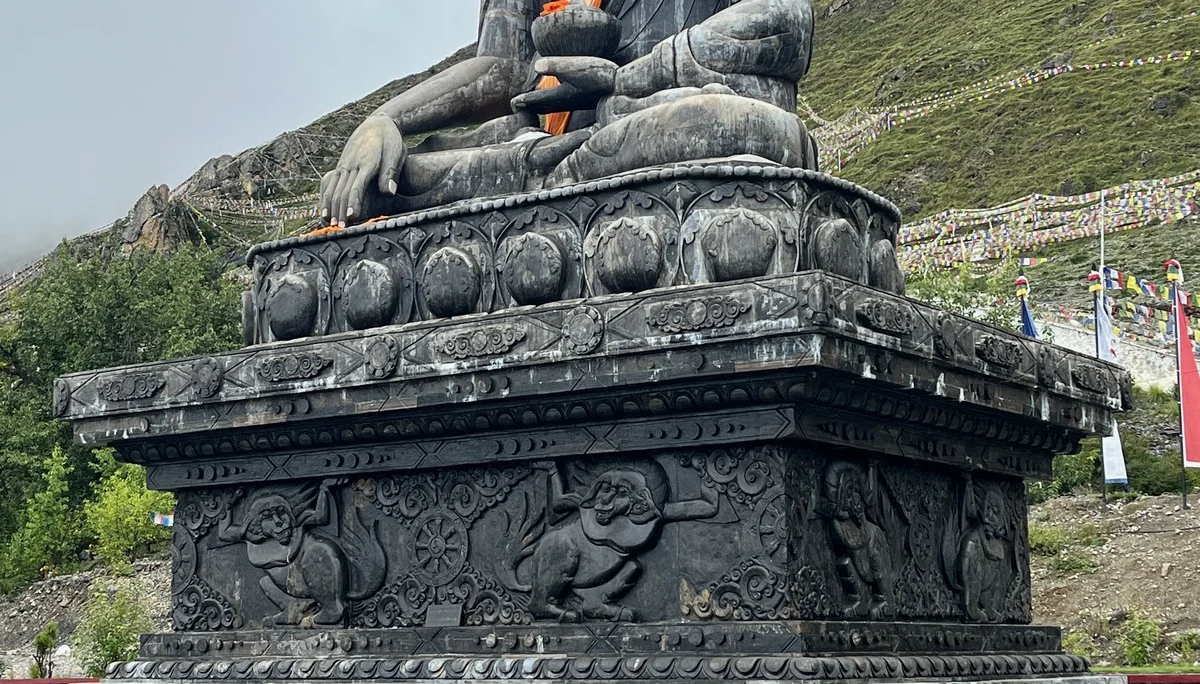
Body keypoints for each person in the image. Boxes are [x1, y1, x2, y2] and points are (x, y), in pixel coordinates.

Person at [319, 0, 818, 225]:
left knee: (722, 125)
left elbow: (787, 20)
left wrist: (633, 78)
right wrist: (384, 121)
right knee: (386, 180)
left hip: (665, 113)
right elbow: (504, 68)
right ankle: (542, 175)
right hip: (556, 144)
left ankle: (541, 180)